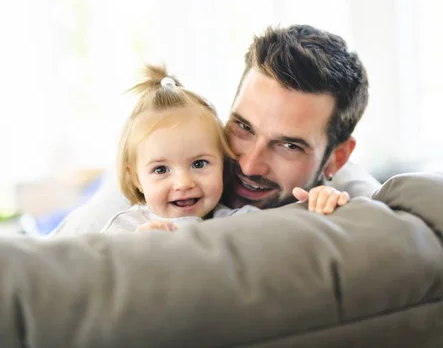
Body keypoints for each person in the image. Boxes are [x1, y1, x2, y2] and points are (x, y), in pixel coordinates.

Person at [101, 64, 350, 234]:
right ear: (135, 177)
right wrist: (137, 254)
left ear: (223, 163)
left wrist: (317, 208)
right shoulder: (126, 227)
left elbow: (285, 233)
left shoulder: (235, 220)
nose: (183, 182)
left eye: (199, 164)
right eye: (161, 169)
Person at [222, 24, 369, 210]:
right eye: (244, 127)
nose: (249, 167)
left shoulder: (360, 212)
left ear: (337, 159)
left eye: (290, 146)